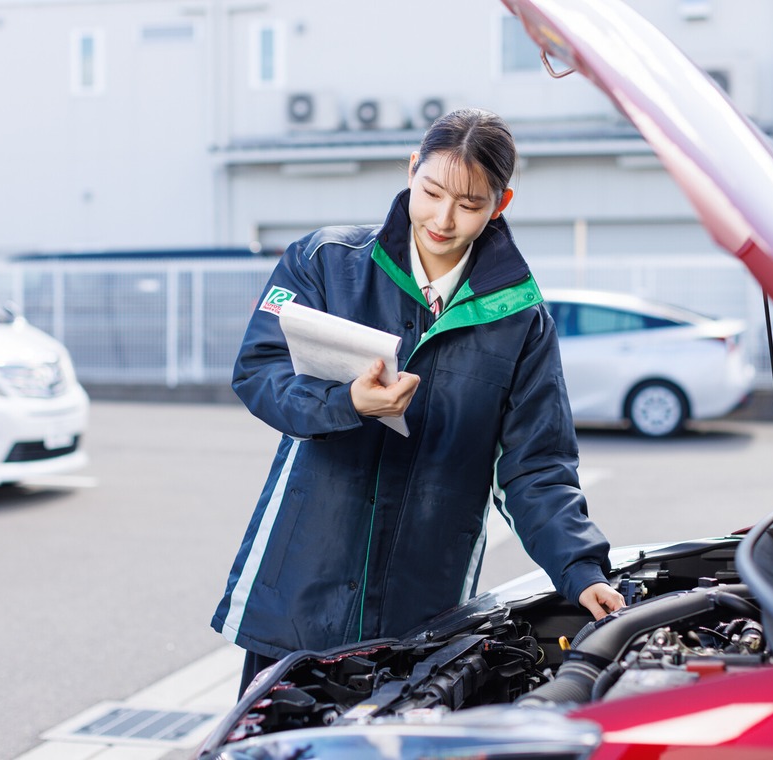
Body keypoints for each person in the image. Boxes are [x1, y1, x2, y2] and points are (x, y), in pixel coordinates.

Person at [211, 108, 624, 694]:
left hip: (423, 611)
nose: (443, 219)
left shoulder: (520, 321)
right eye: (431, 192)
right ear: (412, 170)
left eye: (470, 204)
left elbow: (536, 468)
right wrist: (346, 402)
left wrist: (580, 569)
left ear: (501, 204)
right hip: (301, 587)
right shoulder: (324, 260)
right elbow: (260, 370)